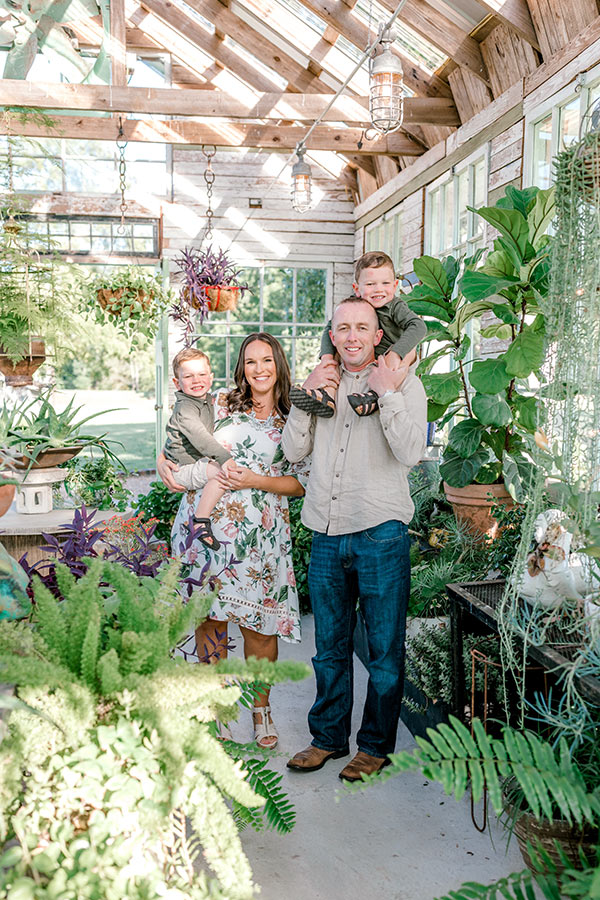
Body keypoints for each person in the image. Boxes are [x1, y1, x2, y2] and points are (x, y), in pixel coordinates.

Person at [282, 297, 427, 782]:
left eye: (361, 327)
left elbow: (410, 451)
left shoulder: (403, 381)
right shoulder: (320, 382)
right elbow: (292, 450)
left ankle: (374, 746)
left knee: (384, 649)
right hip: (325, 531)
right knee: (329, 647)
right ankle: (327, 738)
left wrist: (387, 393)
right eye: (342, 328)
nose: (351, 337)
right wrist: (304, 397)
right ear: (333, 333)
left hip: (380, 531)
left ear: (377, 335)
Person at [158, 333, 305, 749]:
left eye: (267, 360)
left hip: (259, 538)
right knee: (212, 620)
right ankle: (218, 706)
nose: (259, 369)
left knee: (260, 626)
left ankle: (261, 710)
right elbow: (179, 435)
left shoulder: (295, 418)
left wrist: (256, 480)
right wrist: (163, 461)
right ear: (242, 367)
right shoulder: (221, 402)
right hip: (204, 532)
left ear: (279, 364)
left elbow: (302, 483)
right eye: (250, 361)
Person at [290, 250, 427, 418]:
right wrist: (327, 358)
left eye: (385, 283)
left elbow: (418, 325)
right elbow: (329, 329)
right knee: (337, 352)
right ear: (357, 288)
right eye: (370, 284)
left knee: (408, 353)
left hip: (388, 359)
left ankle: (374, 397)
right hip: (362, 357)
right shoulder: (353, 307)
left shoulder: (394, 307)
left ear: (395, 285)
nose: (378, 290)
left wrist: (396, 353)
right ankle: (327, 395)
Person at [164, 347, 239, 551]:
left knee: (220, 471)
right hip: (181, 469)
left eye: (202, 374)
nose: (196, 380)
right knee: (222, 472)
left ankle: (201, 520)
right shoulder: (186, 408)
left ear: (211, 377)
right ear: (177, 383)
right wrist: (225, 458)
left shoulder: (205, 399)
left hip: (190, 464)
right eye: (188, 376)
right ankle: (201, 521)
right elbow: (200, 436)